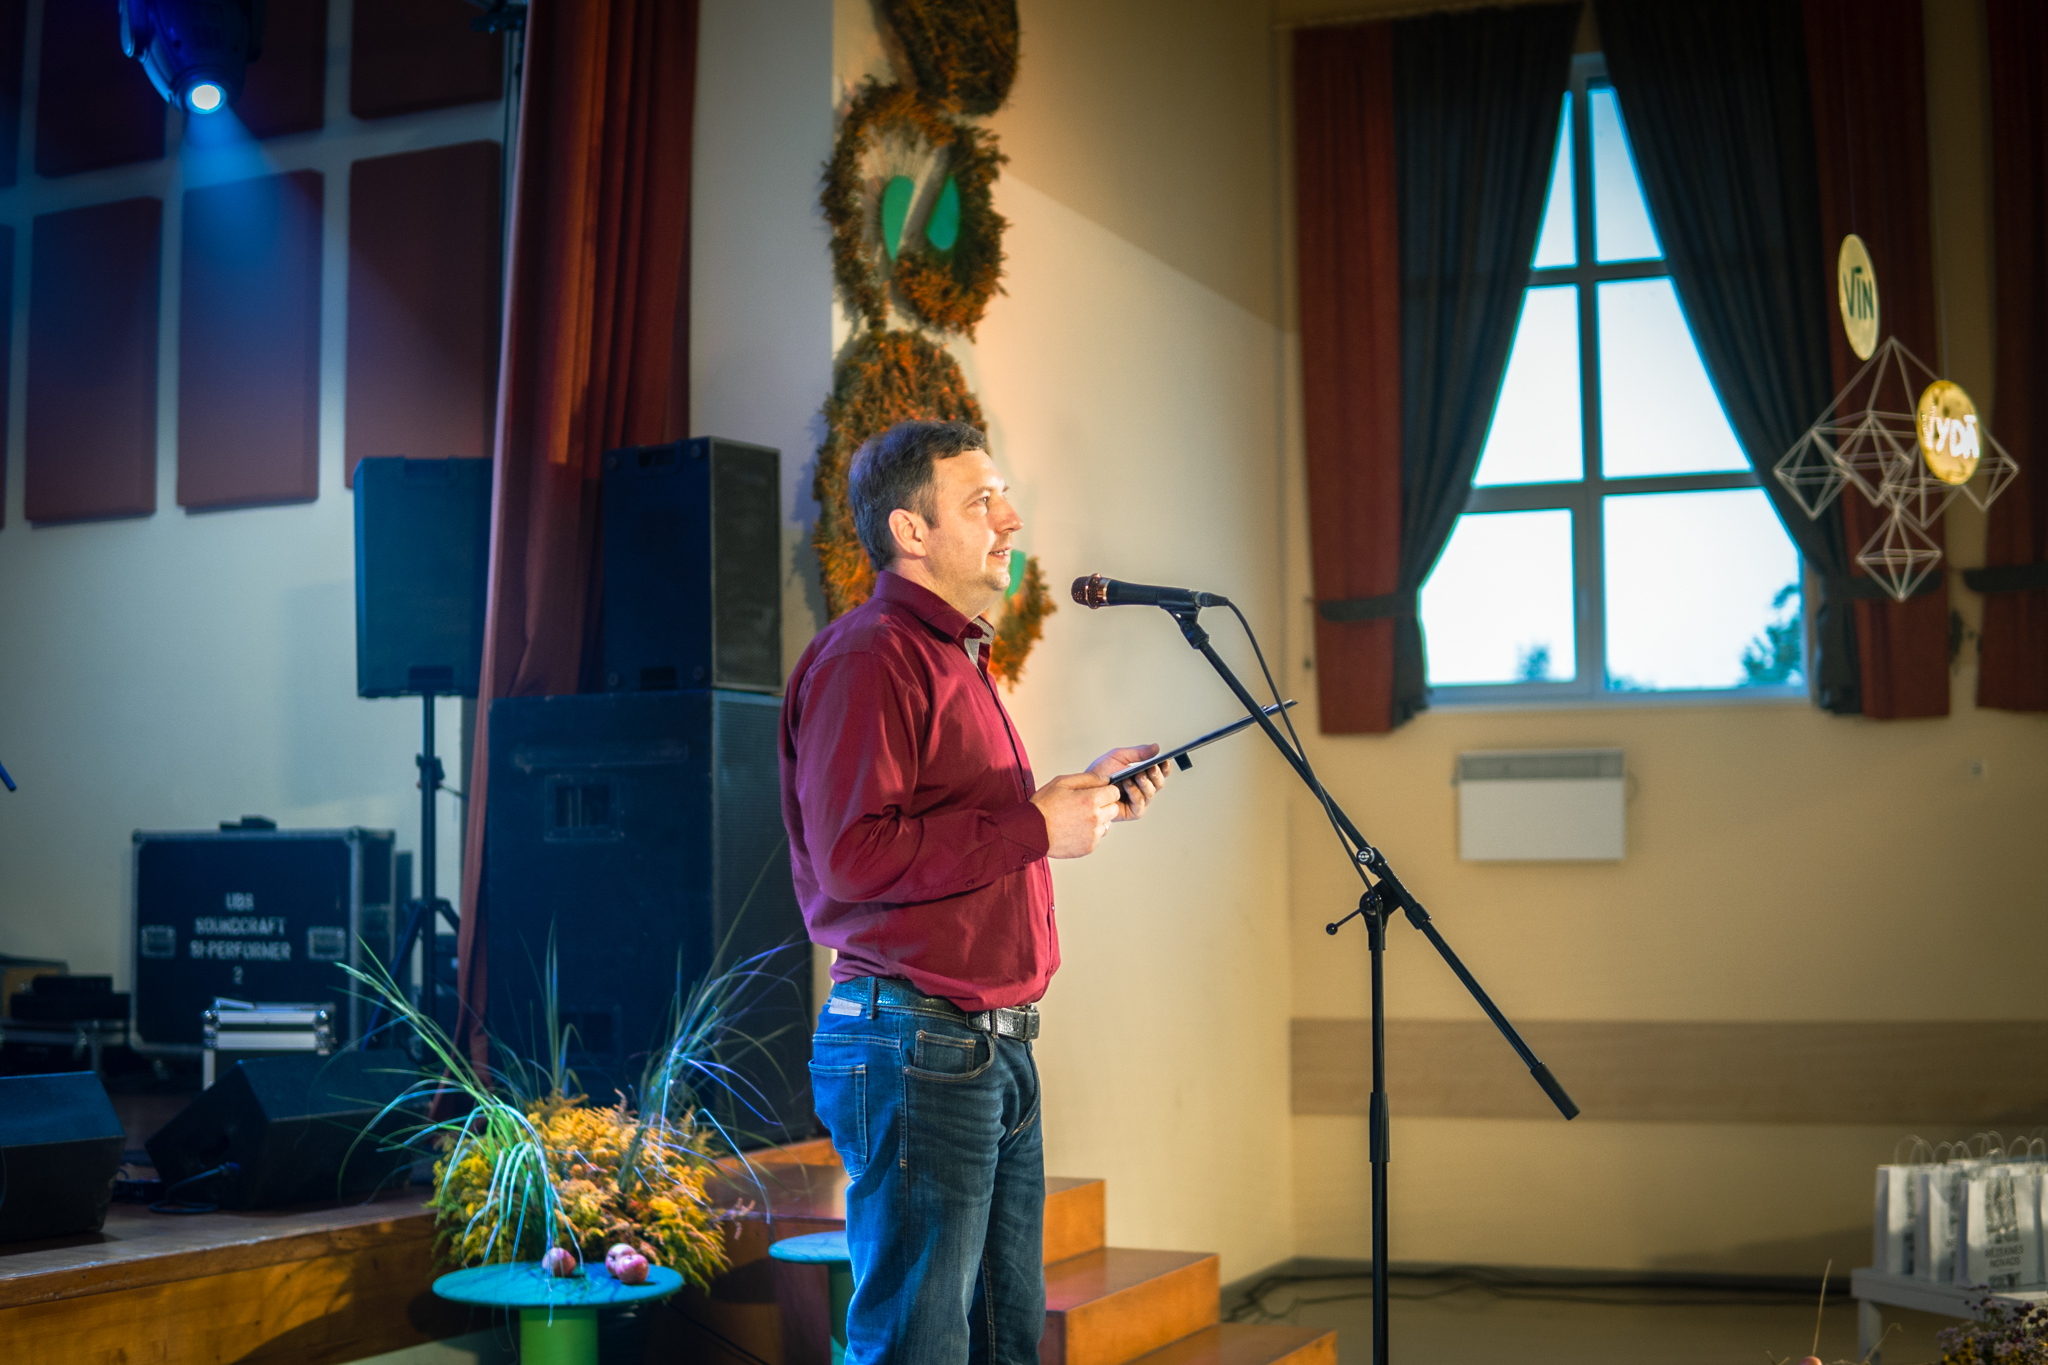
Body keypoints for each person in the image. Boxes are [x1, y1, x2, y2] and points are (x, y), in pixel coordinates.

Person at [779, 419, 1169, 1364]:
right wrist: (1036, 825)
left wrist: (1077, 799)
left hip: (987, 1043)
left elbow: (964, 836)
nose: (1010, 519)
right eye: (981, 500)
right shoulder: (872, 656)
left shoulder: (955, 656)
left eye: (1004, 497)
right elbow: (854, 856)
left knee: (1003, 1340)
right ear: (911, 531)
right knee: (918, 1345)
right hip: (918, 1042)